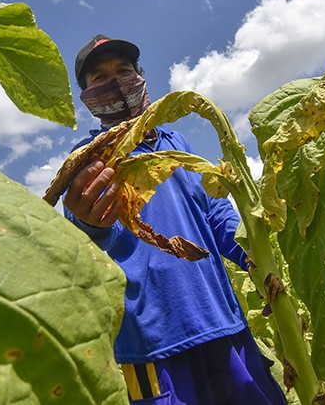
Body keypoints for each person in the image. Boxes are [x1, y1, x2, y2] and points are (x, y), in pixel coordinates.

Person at [62, 34, 287, 405]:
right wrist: (92, 225)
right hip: (153, 343)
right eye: (100, 78)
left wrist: (253, 260)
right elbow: (84, 240)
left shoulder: (176, 141)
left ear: (141, 75)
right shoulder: (86, 159)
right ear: (87, 96)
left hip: (222, 320)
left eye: (123, 69)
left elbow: (214, 213)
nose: (116, 81)